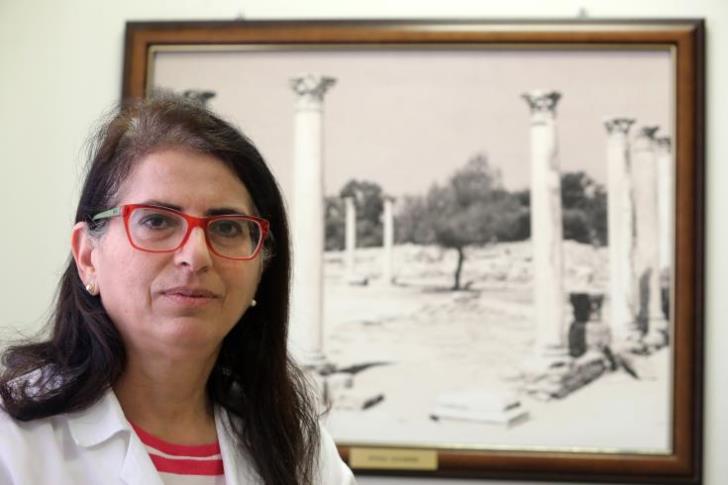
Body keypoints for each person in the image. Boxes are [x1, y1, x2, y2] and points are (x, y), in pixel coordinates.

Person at [0, 95, 356, 485]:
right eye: (157, 221)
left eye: (227, 227)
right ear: (88, 256)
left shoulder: (303, 452)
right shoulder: (13, 441)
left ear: (261, 266)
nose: (196, 256)